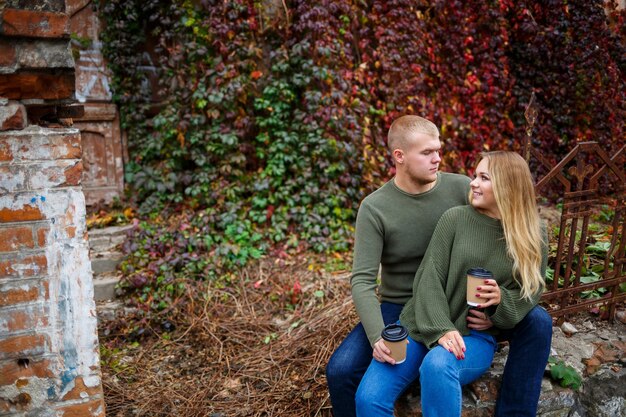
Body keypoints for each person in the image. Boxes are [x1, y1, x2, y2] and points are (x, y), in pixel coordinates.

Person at [325, 115, 552, 417]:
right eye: (427, 153)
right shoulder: (376, 208)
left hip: (462, 308)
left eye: (438, 150)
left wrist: (495, 315)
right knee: (343, 371)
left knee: (538, 320)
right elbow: (365, 281)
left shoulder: (461, 190)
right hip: (404, 309)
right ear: (400, 157)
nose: (438, 160)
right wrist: (380, 336)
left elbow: (527, 283)